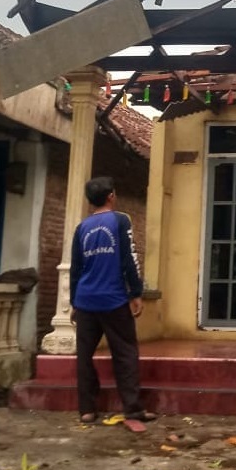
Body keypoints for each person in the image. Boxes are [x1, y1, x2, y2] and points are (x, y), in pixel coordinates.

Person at [70, 176, 156, 424]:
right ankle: (132, 408)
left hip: (86, 300)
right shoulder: (120, 221)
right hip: (113, 299)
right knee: (125, 353)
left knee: (84, 355)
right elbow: (129, 258)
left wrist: (75, 301)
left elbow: (76, 268)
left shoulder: (82, 228)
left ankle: (87, 409)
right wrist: (135, 292)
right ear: (111, 196)